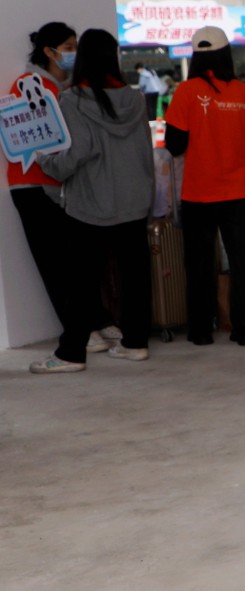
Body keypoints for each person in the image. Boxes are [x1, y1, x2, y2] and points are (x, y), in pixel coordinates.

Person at [30, 29, 155, 373]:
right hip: (134, 200)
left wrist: (44, 161)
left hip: (91, 205)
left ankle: (71, 353)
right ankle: (136, 343)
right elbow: (145, 151)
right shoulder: (134, 99)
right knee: (135, 277)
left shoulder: (73, 100)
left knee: (82, 283)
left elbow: (77, 153)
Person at [164, 26, 245, 346]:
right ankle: (244, 328)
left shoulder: (186, 91)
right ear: (225, 54)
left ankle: (201, 329)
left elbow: (174, 144)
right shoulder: (243, 92)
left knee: (199, 263)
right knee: (242, 261)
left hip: (198, 193)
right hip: (238, 192)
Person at [7, 22, 92, 348]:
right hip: (34, 186)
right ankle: (79, 331)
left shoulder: (64, 88)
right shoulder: (30, 87)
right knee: (55, 266)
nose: (74, 53)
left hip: (60, 186)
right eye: (69, 47)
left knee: (73, 263)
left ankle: (91, 324)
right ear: (49, 51)